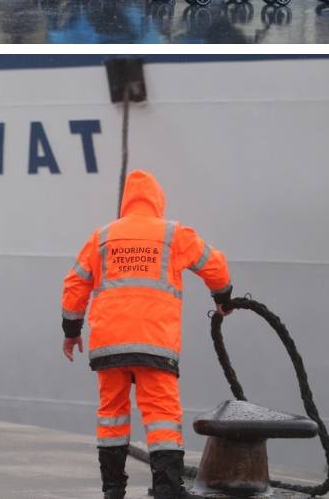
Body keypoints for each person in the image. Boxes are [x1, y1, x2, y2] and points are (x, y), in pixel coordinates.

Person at [62, 169, 234, 499]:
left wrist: (71, 332)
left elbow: (74, 284)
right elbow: (215, 266)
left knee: (111, 415)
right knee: (162, 417)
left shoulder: (102, 237)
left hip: (109, 346)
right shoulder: (173, 234)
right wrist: (223, 298)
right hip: (155, 344)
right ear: (158, 201)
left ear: (126, 202)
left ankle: (113, 490)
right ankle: (167, 489)